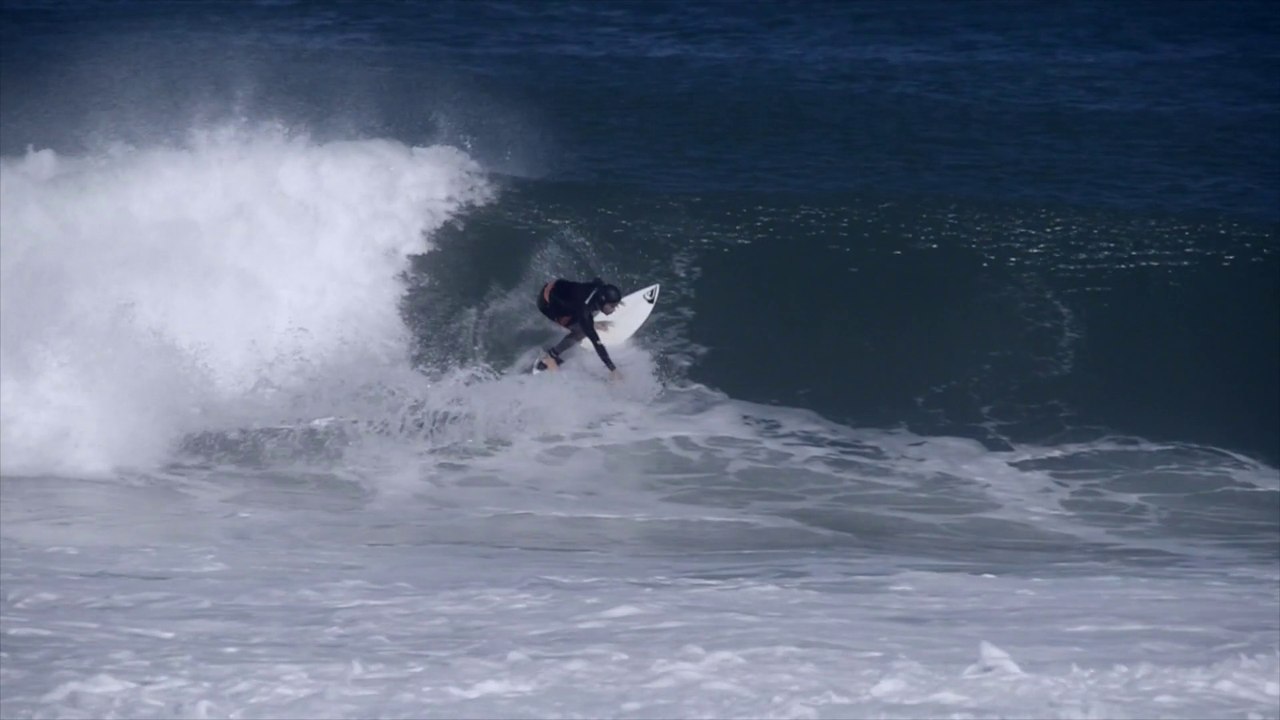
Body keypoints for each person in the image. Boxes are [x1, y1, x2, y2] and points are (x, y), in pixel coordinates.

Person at [535, 277, 623, 374]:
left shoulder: (598, 289)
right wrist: (613, 370)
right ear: (602, 301)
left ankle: (587, 323)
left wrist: (614, 300)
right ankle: (549, 357)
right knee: (581, 331)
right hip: (547, 303)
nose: (613, 310)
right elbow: (596, 343)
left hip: (558, 287)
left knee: (583, 316)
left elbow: (598, 281)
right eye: (612, 306)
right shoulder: (583, 311)